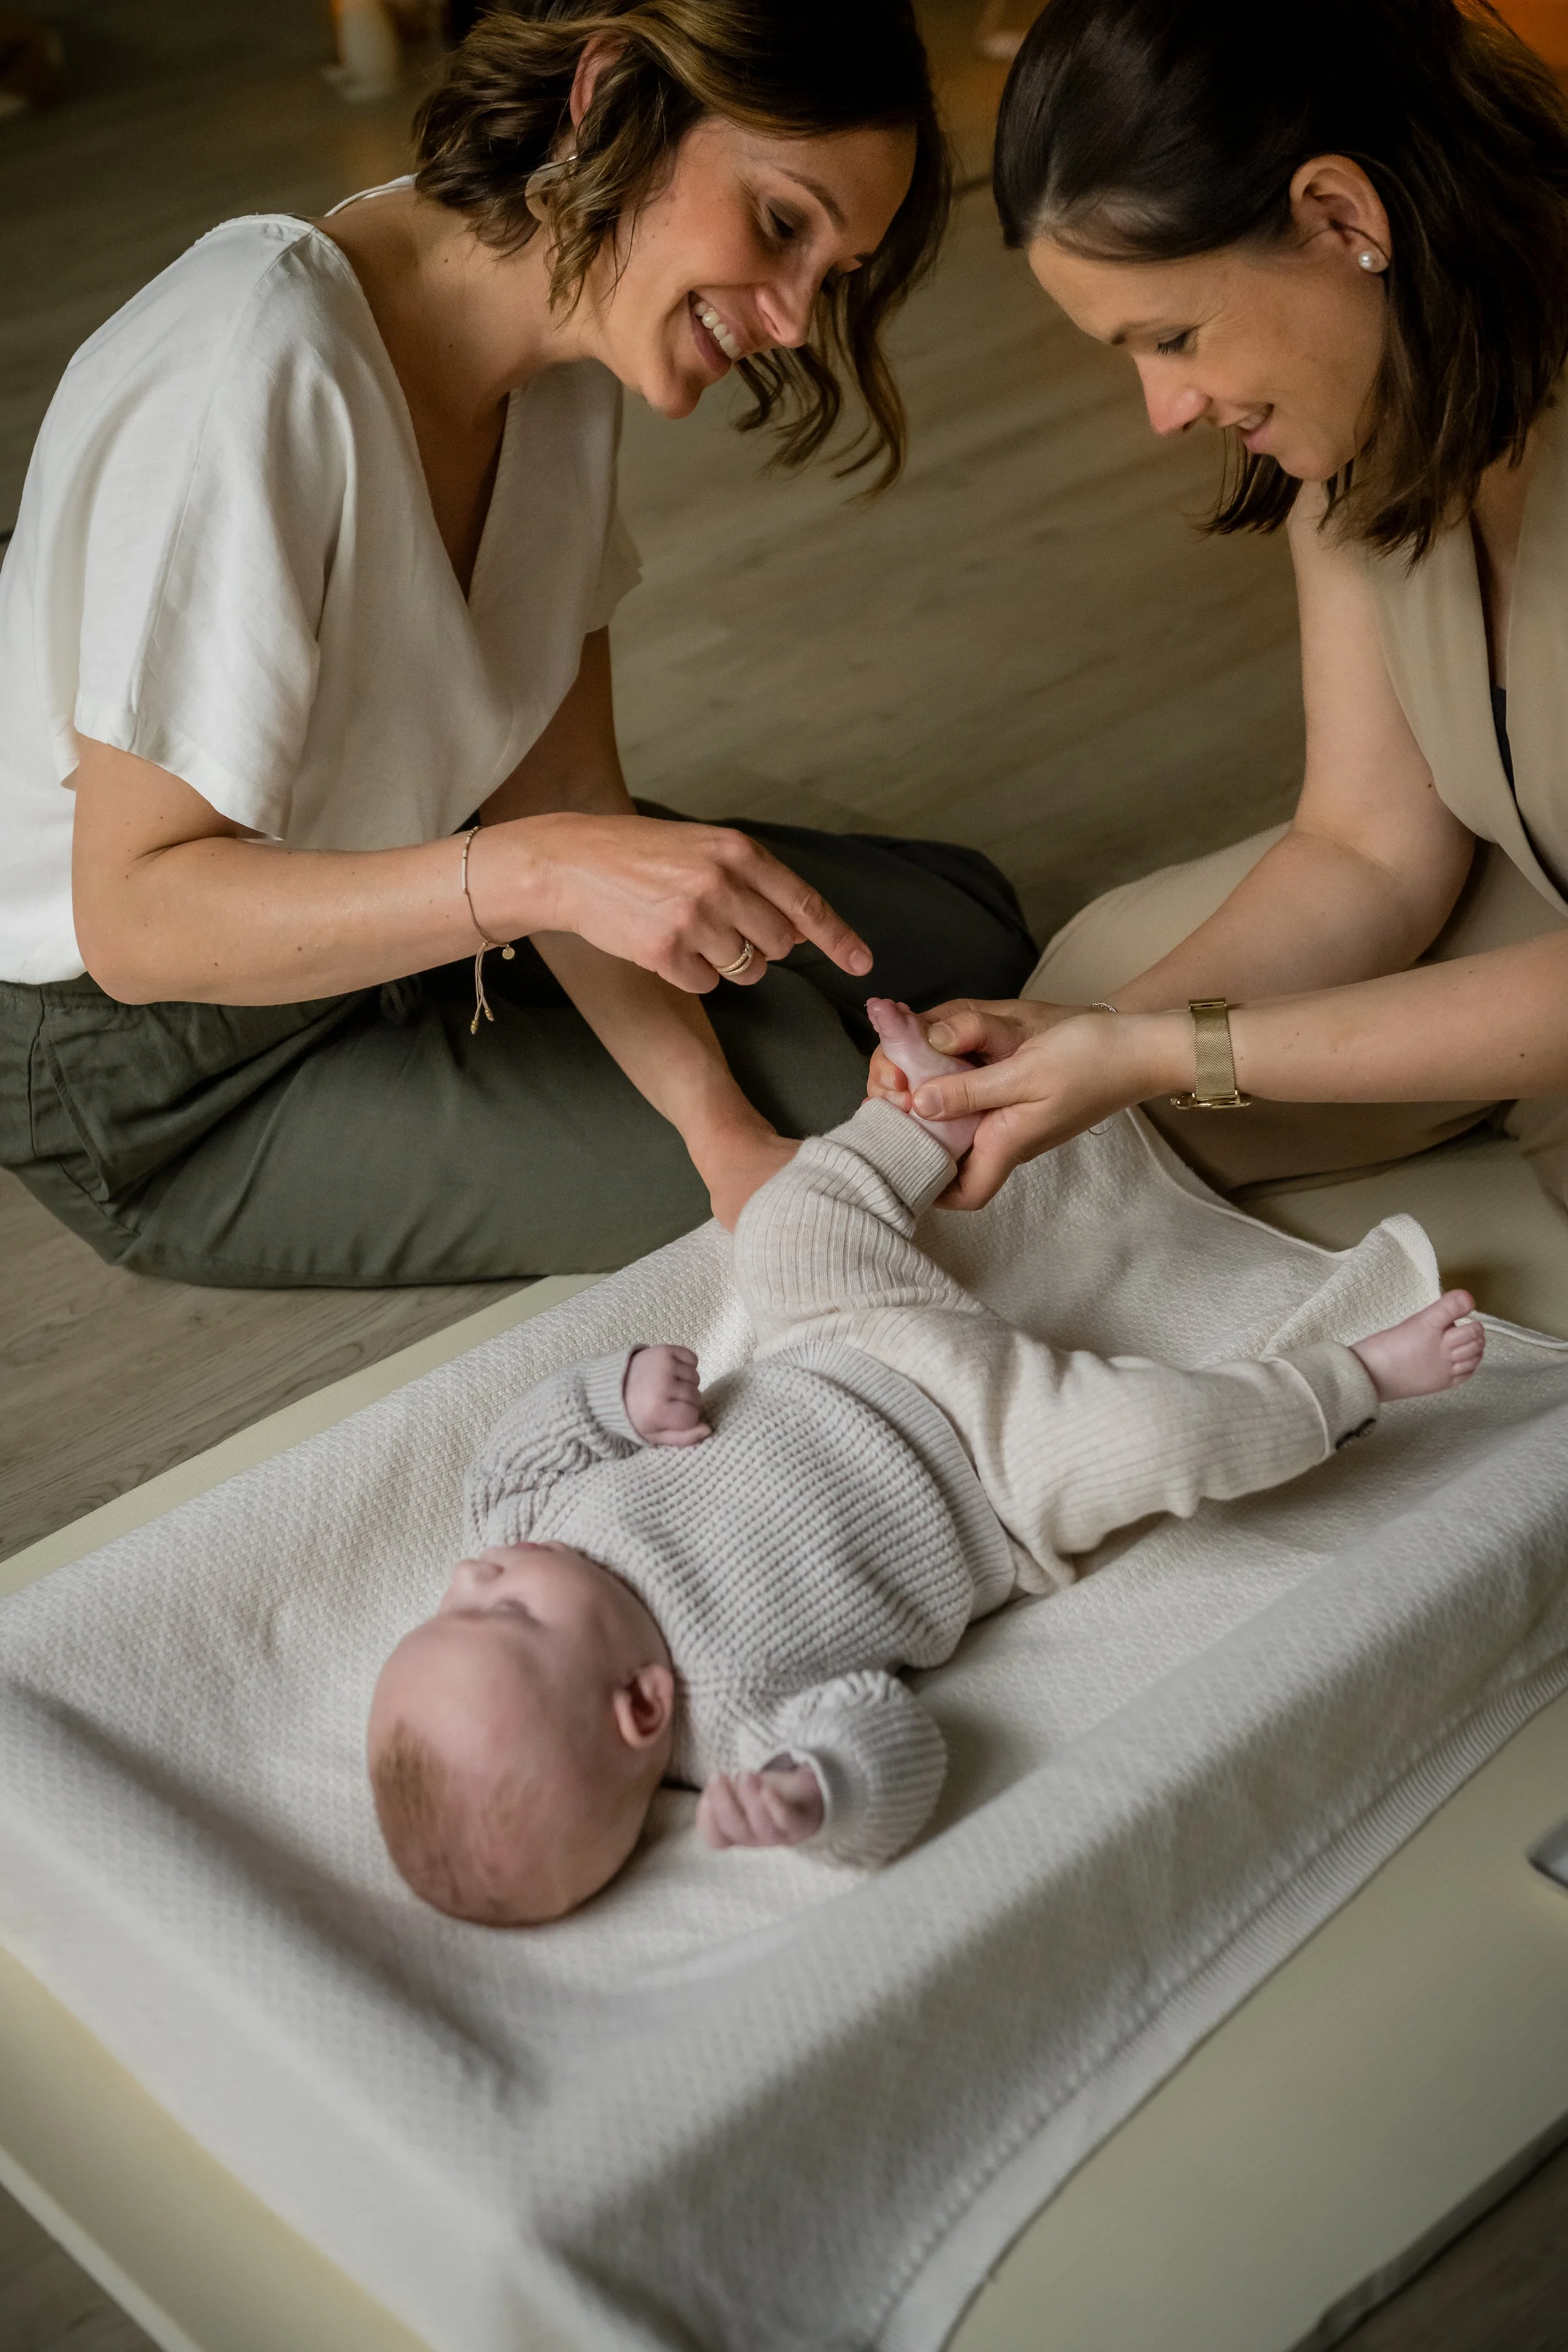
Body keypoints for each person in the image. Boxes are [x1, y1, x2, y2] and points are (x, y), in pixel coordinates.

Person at [0, 0, 1036, 1287]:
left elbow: (560, 794)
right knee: (839, 1123)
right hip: (147, 1054)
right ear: (610, 97)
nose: (788, 319)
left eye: (829, 274)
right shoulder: (258, 362)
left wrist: (718, 1131)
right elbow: (132, 920)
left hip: (413, 889)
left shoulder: (570, 352)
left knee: (971, 932)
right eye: (781, 223)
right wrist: (541, 880)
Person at [366, 998, 1481, 1926]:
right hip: (994, 1472)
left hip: (838, 1333)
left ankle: (922, 1122)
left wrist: (618, 1392)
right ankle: (1351, 1380)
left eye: (448, 1605)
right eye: (502, 1616)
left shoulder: (519, 1521)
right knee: (1157, 1441)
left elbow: (524, 1444)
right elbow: (892, 1742)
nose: (474, 1575)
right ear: (644, 1706)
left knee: (784, 1225)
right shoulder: (740, 1725)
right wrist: (818, 1794)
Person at [868, 0, 1568, 1219]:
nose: (1163, 411)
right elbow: (1365, 849)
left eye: (1175, 337)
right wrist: (1095, 1036)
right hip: (1529, 888)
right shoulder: (1358, 415)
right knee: (1090, 978)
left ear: (1340, 217)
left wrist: (1169, 1055)